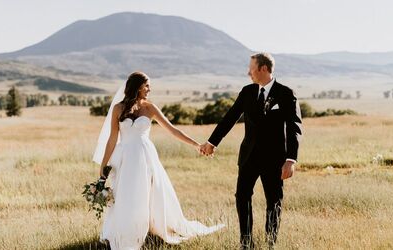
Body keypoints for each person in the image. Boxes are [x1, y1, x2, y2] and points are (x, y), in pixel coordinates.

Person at [93, 72, 224, 250]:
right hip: (124, 158)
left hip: (145, 157)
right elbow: (112, 139)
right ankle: (125, 232)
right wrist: (103, 165)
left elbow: (173, 130)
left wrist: (196, 145)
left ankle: (148, 231)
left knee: (147, 193)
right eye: (147, 85)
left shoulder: (150, 108)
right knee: (125, 195)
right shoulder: (118, 108)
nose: (150, 89)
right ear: (137, 86)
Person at [200, 53, 302, 249]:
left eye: (251, 68)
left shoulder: (286, 94)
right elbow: (230, 118)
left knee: (274, 201)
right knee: (242, 196)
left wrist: (291, 159)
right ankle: (246, 242)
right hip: (248, 157)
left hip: (275, 159)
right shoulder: (247, 92)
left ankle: (271, 243)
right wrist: (212, 142)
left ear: (263, 69)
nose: (249, 72)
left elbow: (294, 128)